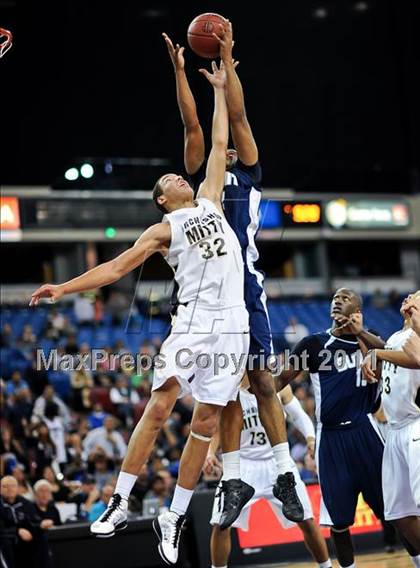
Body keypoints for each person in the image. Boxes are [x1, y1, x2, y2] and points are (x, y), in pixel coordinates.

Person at [30, 60, 248, 565]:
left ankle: (172, 515)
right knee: (160, 402)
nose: (178, 175)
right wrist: (63, 287)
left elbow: (217, 145)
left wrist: (218, 90)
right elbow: (111, 269)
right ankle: (120, 500)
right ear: (162, 201)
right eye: (169, 179)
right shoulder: (162, 231)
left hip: (233, 321)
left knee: (207, 422)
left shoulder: (211, 201)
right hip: (194, 319)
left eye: (177, 174)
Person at [163, 19, 302, 529]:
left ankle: (285, 473)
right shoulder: (201, 181)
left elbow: (236, 114)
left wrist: (226, 66)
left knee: (263, 379)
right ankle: (237, 476)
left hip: (245, 284)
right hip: (209, 296)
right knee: (220, 392)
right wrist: (181, 72)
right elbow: (193, 125)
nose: (216, 153)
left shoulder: (247, 165)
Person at [277, 288, 388, 568]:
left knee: (395, 512)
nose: (338, 300)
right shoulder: (313, 345)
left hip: (366, 429)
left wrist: (360, 332)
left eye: (345, 297)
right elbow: (279, 382)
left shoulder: (370, 338)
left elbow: (385, 354)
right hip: (331, 437)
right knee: (338, 523)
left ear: (358, 311)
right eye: (335, 298)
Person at [207, 379, 332, 568]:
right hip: (243, 464)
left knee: (307, 520)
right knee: (220, 523)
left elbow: (298, 415)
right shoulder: (229, 387)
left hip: (277, 462)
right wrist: (209, 452)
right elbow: (219, 428)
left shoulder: (276, 382)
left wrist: (311, 438)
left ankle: (326, 566)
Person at [362, 292, 420, 564]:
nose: (409, 296)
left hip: (415, 426)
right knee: (398, 514)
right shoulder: (398, 335)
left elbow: (416, 357)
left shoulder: (415, 335)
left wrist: (377, 353)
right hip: (394, 432)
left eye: (416, 296)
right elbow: (387, 349)